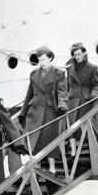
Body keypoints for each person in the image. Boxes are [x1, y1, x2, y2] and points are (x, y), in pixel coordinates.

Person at [18, 46, 68, 174]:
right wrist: (23, 112)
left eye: (44, 59)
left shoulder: (59, 73)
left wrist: (62, 105)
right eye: (40, 60)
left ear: (50, 58)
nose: (42, 62)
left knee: (49, 139)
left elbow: (62, 91)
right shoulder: (34, 74)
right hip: (34, 111)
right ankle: (36, 165)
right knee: (33, 139)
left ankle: (51, 166)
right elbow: (29, 94)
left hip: (50, 112)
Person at [66, 42, 98, 155]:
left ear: (84, 53)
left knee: (83, 127)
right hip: (72, 100)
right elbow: (67, 85)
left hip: (85, 100)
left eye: (79, 54)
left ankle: (82, 148)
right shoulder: (70, 68)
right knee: (71, 127)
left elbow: (96, 85)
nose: (77, 57)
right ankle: (73, 151)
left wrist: (94, 94)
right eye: (75, 55)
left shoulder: (92, 68)